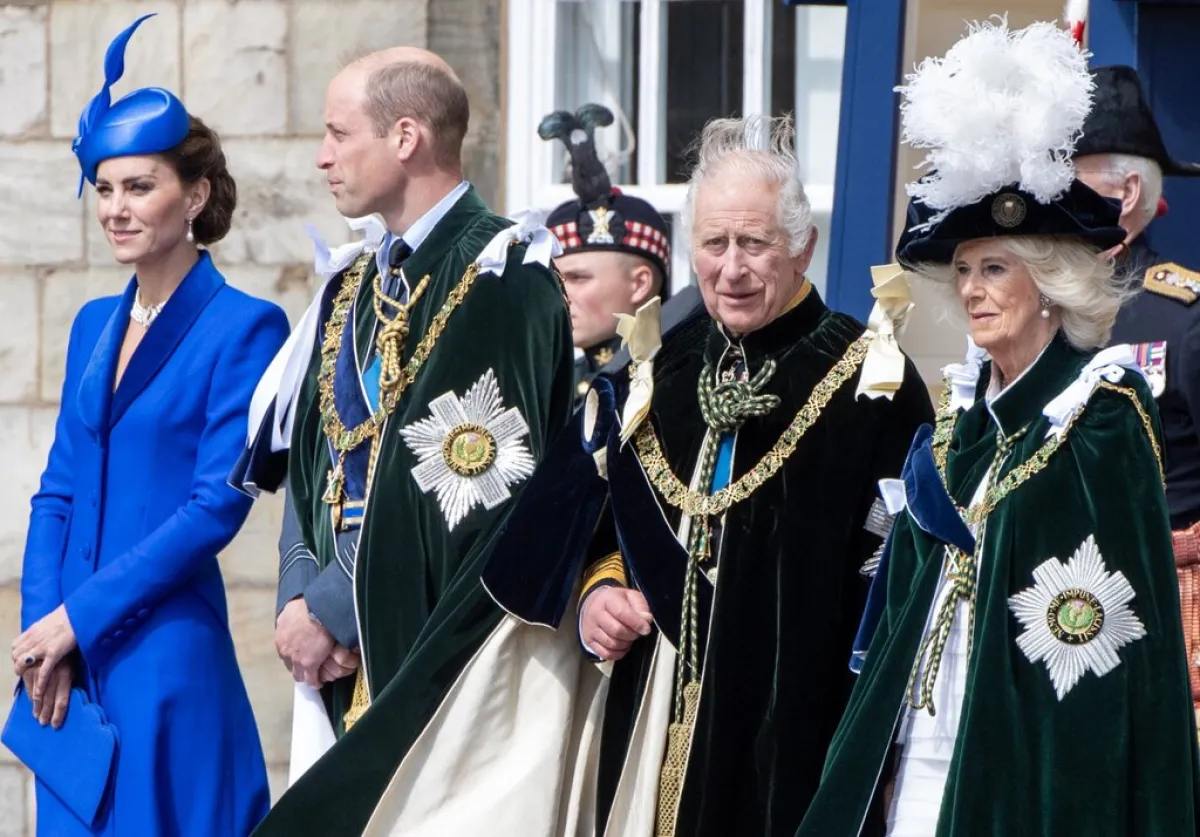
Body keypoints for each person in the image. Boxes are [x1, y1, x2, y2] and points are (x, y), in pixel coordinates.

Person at [798, 20, 1200, 836]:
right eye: (966, 271)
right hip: (925, 742)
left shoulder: (1101, 415)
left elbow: (1121, 655)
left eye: (996, 268)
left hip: (1033, 763)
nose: (974, 290)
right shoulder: (954, 431)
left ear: (1047, 283)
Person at [483, 112, 934, 837]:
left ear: (803, 248)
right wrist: (601, 589)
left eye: (755, 243)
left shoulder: (872, 381)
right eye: (714, 243)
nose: (731, 268)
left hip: (796, 731)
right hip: (652, 714)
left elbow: (897, 580)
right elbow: (592, 528)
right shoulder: (657, 370)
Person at [236, 46, 574, 835]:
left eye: (338, 132)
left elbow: (468, 495)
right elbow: (312, 455)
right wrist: (294, 596)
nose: (322, 156)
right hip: (326, 652)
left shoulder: (504, 274)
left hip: (425, 656)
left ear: (406, 136)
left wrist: (332, 609)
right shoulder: (351, 283)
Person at [8, 14, 286, 836]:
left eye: (139, 186)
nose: (116, 209)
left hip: (164, 655)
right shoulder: (93, 321)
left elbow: (212, 508)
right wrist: (41, 631)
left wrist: (77, 617)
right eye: (104, 187)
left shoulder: (245, 325)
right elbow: (55, 488)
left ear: (194, 195)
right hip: (69, 665)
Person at [1072, 64, 1200, 727]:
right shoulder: (1034, 313)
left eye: (1069, 181)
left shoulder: (1185, 316)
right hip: (1050, 608)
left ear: (1124, 192)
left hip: (1168, 614)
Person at [538, 103, 702, 404]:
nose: (560, 296)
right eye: (556, 280)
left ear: (639, 283)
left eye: (578, 278)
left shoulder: (679, 378)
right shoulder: (555, 384)